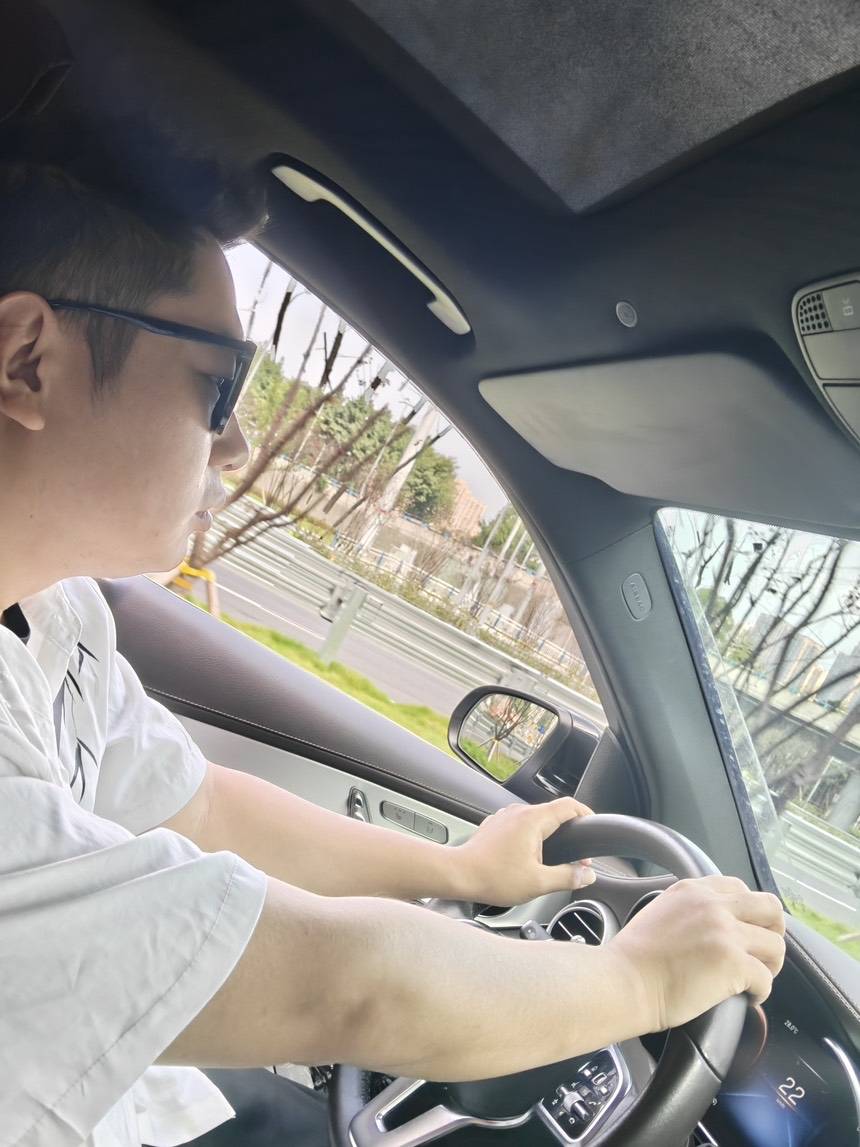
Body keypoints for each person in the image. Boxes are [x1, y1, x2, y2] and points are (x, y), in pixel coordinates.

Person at [0, 161, 787, 1147]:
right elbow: (341, 987)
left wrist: (460, 869)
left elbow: (199, 807)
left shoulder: (56, 610)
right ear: (28, 360)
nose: (236, 442)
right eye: (219, 383)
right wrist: (641, 979)